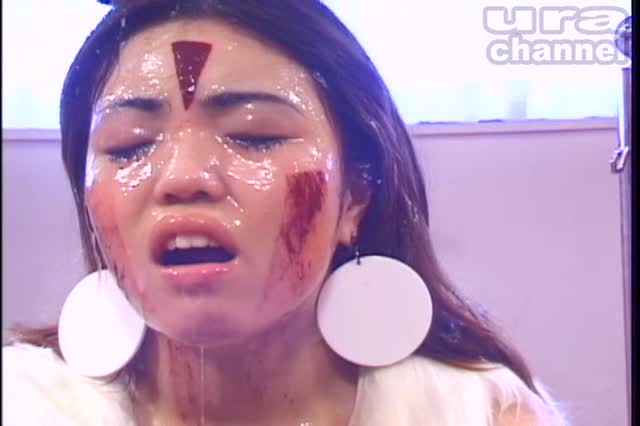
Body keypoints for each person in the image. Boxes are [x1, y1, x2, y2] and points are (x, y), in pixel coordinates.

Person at [3, 0, 569, 425]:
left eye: (254, 135)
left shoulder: (484, 414)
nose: (183, 176)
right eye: (130, 145)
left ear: (356, 194)